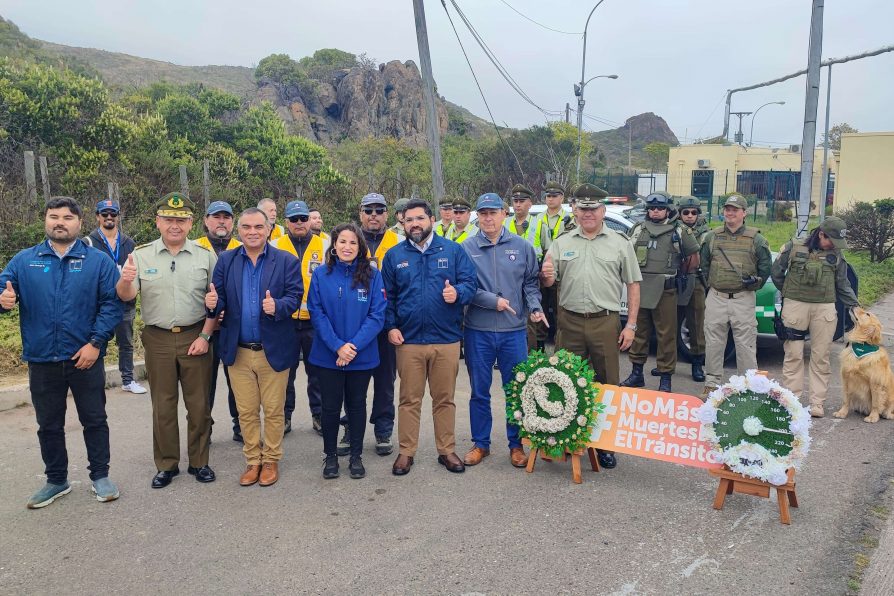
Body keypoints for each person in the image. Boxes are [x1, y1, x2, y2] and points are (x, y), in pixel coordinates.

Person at [1, 197, 123, 508]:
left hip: (85, 356)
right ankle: (56, 479)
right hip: (42, 359)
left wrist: (96, 343)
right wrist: (3, 299)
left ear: (79, 223)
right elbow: (3, 289)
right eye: (53, 216)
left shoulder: (98, 262)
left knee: (94, 419)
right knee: (49, 424)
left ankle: (100, 476)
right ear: (45, 221)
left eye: (67, 217)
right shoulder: (25, 261)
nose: (60, 222)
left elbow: (112, 305)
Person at [117, 192, 219, 489]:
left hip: (195, 335)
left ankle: (199, 462)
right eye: (169, 220)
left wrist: (205, 335)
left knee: (199, 405)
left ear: (191, 224)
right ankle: (167, 464)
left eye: (181, 220)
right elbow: (126, 295)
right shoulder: (140, 255)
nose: (175, 225)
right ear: (158, 222)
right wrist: (125, 278)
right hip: (158, 338)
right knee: (163, 405)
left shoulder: (205, 255)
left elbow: (216, 302)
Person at [541, 183, 642, 470]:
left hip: (605, 322)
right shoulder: (562, 242)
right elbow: (549, 281)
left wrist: (631, 325)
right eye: (583, 209)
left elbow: (633, 285)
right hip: (569, 322)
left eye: (593, 208)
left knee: (607, 385)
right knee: (563, 382)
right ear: (575, 210)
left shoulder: (620, 243)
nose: (588, 214)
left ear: (603, 211)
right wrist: (546, 276)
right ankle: (563, 438)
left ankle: (605, 445)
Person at [382, 199, 478, 476]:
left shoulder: (452, 250)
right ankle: (406, 452)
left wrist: (457, 293)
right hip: (408, 341)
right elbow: (387, 297)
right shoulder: (394, 256)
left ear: (431, 219)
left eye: (420, 218)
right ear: (403, 223)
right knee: (409, 399)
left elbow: (470, 284)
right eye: (409, 220)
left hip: (445, 340)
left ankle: (446, 450)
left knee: (444, 399)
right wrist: (391, 326)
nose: (414, 224)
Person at [207, 208, 301, 487]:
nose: (252, 232)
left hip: (273, 348)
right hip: (239, 350)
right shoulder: (226, 260)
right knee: (246, 411)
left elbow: (296, 296)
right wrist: (212, 305)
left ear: (269, 229)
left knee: (273, 410)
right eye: (246, 227)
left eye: (258, 226)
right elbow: (219, 297)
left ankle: (271, 460)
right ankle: (252, 460)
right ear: (239, 230)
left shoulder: (286, 261)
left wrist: (278, 306)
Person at [461, 193, 544, 468]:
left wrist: (534, 306)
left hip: (513, 331)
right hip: (478, 330)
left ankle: (516, 444)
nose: (488, 218)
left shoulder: (522, 247)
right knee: (479, 390)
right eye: (483, 213)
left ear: (504, 214)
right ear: (478, 217)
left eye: (493, 212)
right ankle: (480, 444)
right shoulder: (466, 248)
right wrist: (491, 301)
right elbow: (465, 289)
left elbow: (531, 283)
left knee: (516, 390)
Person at [308, 223, 387, 480]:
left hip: (360, 356)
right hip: (328, 355)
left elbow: (377, 315)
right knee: (330, 407)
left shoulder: (373, 275)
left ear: (360, 246)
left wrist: (352, 347)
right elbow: (316, 312)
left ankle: (356, 456)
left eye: (353, 242)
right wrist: (337, 346)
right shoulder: (321, 274)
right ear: (334, 245)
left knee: (356, 406)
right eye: (342, 241)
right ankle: (330, 457)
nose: (347, 247)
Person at [772, 216, 858, 417]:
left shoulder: (836, 255)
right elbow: (777, 272)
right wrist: (789, 292)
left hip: (824, 309)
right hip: (795, 306)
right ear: (821, 234)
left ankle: (817, 403)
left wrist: (855, 307)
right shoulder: (793, 247)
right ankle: (791, 401)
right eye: (832, 241)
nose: (834, 246)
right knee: (793, 354)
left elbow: (843, 284)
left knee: (821, 356)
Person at [337, 193, 401, 457]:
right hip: (356, 325)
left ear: (387, 214)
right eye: (368, 210)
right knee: (352, 382)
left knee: (385, 381)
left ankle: (383, 429)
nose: (373, 215)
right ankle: (351, 427)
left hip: (386, 324)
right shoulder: (351, 241)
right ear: (360, 212)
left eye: (379, 210)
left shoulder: (398, 241)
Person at [621, 192, 700, 392]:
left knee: (667, 336)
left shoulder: (680, 231)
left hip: (666, 289)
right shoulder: (638, 229)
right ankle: (636, 373)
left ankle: (666, 378)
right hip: (640, 288)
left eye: (660, 208)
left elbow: (693, 260)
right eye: (652, 208)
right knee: (638, 332)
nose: (655, 211)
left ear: (668, 209)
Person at [699, 194, 772, 393]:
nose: (730, 213)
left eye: (735, 210)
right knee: (713, 342)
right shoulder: (712, 237)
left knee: (746, 343)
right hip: (717, 297)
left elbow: (765, 267)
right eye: (727, 209)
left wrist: (755, 283)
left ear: (744, 213)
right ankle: (711, 384)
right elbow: (703, 265)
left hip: (743, 298)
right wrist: (713, 284)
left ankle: (748, 386)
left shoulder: (756, 239)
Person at [273, 200, 326, 435]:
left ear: (309, 219)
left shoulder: (325, 246)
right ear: (286, 222)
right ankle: (284, 416)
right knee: (285, 372)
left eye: (303, 218)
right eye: (294, 219)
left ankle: (319, 414)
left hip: (315, 321)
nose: (299, 223)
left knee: (317, 372)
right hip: (285, 321)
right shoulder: (274, 245)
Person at [85, 198, 144, 395]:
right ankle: (96, 383)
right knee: (97, 342)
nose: (109, 217)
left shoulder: (129, 243)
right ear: (97, 217)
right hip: (99, 305)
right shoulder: (88, 242)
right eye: (105, 214)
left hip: (124, 303)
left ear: (118, 217)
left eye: (113, 214)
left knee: (126, 343)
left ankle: (128, 380)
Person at [195, 200, 242, 440]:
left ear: (233, 221)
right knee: (204, 383)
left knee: (238, 381)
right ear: (206, 220)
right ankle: (205, 427)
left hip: (233, 327)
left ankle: (240, 425)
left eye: (226, 217)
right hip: (204, 328)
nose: (221, 221)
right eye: (216, 217)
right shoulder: (195, 248)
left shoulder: (242, 247)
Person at [657, 196, 710, 382]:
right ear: (679, 213)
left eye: (693, 212)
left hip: (695, 281)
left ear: (698, 214)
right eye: (685, 212)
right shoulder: (673, 229)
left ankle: (697, 364)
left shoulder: (706, 234)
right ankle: (664, 364)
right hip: (674, 279)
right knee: (668, 325)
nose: (689, 216)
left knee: (696, 324)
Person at [533, 181, 567, 343]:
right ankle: (539, 347)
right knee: (540, 307)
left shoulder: (569, 218)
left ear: (562, 198)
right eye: (548, 196)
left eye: (554, 196)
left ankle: (559, 348)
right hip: (540, 265)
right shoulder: (538, 218)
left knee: (560, 311)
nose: (550, 199)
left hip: (561, 266)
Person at [504, 184, 542, 257]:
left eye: (521, 201)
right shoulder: (504, 223)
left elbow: (548, 251)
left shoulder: (539, 224)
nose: (518, 205)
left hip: (533, 266)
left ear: (530, 204)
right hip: (509, 266)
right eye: (515, 201)